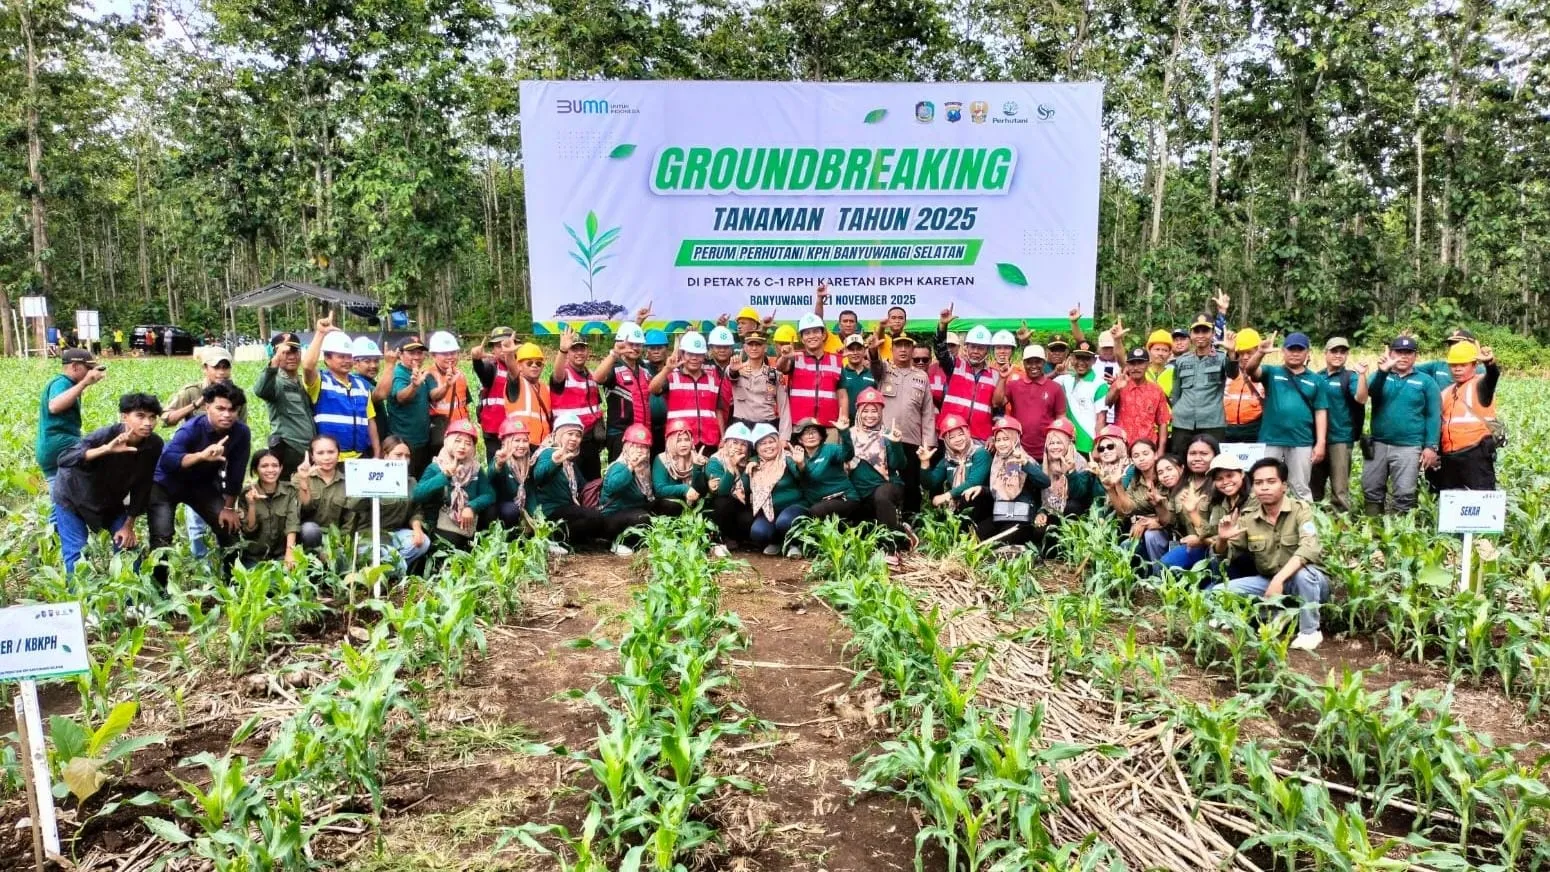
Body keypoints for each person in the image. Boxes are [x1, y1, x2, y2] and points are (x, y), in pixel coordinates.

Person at [1215, 457, 1332, 651]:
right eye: (1259, 483)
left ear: (1284, 485)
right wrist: (1222, 539)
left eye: (1271, 482)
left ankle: (1310, 631)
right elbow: (1228, 555)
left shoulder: (1300, 510)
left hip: (1307, 582)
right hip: (1268, 583)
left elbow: (1309, 548)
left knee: (1304, 575)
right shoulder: (1249, 518)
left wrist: (1278, 579)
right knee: (1219, 591)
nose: (1264, 488)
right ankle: (1279, 613)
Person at [52, 392, 164, 574]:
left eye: (152, 417)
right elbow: (65, 458)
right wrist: (105, 449)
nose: (148, 423)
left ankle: (130, 602)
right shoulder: (105, 436)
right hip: (72, 497)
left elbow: (142, 486)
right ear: (124, 417)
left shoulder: (154, 444)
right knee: (78, 554)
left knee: (128, 549)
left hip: (110, 503)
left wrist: (128, 526)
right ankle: (80, 600)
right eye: (140, 416)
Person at [150, 382, 251, 580]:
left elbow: (236, 473)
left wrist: (228, 508)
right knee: (162, 538)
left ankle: (232, 584)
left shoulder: (240, 432)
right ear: (207, 407)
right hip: (165, 485)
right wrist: (200, 456)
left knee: (229, 529)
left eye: (232, 410)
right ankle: (159, 591)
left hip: (200, 485)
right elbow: (168, 461)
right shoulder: (191, 430)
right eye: (220, 408)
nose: (227, 415)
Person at [1240, 331, 1327, 500]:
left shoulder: (1316, 380)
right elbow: (1250, 370)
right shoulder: (1272, 372)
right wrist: (1260, 353)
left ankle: (1303, 523)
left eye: (1299, 350)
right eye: (1291, 349)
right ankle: (1261, 522)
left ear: (1307, 353)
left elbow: (1321, 411)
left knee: (1300, 486)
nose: (1295, 353)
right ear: (1283, 351)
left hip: (1301, 440)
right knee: (1264, 483)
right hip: (1271, 439)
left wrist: (1321, 442)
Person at [1362, 335, 1441, 514]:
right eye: (1399, 352)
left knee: (1405, 492)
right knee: (1371, 487)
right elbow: (1370, 392)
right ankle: (1372, 529)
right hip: (1378, 443)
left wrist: (1430, 446)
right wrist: (1382, 372)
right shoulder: (1381, 374)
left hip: (1409, 446)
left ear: (1415, 356)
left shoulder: (1426, 382)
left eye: (1408, 353)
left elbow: (1433, 415)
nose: (1403, 356)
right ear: (1391, 353)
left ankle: (1402, 531)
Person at [872, 334, 936, 517]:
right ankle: (883, 518)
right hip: (884, 439)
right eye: (898, 346)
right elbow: (874, 364)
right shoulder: (884, 370)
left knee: (911, 482)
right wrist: (874, 350)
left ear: (912, 351)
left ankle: (912, 519)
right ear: (891, 350)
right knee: (883, 479)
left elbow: (928, 412)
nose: (902, 350)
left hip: (911, 439)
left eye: (907, 346)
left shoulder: (921, 376)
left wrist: (927, 442)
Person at [347, 436, 430, 571]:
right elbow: (353, 506)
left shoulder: (410, 482)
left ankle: (386, 571)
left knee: (423, 543)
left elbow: (416, 510)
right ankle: (392, 573)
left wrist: (417, 529)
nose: (403, 460)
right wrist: (369, 481)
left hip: (395, 534)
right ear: (385, 456)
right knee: (395, 560)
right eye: (398, 455)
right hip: (369, 535)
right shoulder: (370, 476)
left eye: (407, 456)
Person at [302, 318, 380, 460]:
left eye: (349, 356)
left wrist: (377, 453)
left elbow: (370, 421)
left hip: (359, 457)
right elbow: (307, 366)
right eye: (341, 356)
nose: (347, 361)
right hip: (331, 460)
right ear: (327, 358)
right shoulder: (320, 382)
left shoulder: (362, 385)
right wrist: (320, 333)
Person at [842, 389, 911, 549]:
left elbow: (899, 464)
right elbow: (844, 458)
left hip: (887, 489)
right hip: (860, 493)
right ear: (858, 411)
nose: (870, 415)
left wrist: (895, 443)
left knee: (882, 495)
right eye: (865, 411)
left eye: (875, 411)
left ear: (881, 413)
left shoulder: (887, 434)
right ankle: (901, 529)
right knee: (862, 533)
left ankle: (892, 545)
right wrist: (844, 434)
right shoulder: (850, 434)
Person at [413, 420, 494, 550]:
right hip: (442, 521)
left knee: (492, 511)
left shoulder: (475, 468)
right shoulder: (435, 467)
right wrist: (444, 476)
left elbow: (489, 494)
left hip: (467, 519)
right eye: (457, 441)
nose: (462, 446)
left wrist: (471, 507)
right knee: (453, 542)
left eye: (468, 443)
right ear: (448, 442)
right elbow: (417, 494)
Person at [37, 348, 106, 500]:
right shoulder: (62, 382)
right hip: (60, 444)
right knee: (103, 455)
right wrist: (84, 384)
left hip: (52, 447)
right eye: (88, 368)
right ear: (75, 366)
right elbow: (54, 406)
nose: (90, 373)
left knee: (62, 500)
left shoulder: (68, 383)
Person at [530, 414, 608, 547]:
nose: (574, 439)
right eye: (570, 434)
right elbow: (538, 476)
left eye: (578, 435)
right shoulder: (548, 453)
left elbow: (583, 486)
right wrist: (554, 462)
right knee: (594, 518)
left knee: (597, 516)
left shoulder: (569, 461)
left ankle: (569, 539)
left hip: (566, 509)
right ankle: (554, 537)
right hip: (550, 512)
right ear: (559, 434)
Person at [1168, 298, 1233, 457]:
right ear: (1190, 334)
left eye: (1205, 331)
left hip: (1212, 422)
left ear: (1212, 334)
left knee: (1213, 464)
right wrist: (1176, 411)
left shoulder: (1221, 358)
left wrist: (1232, 353)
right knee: (1180, 462)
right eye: (1197, 331)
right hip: (1183, 422)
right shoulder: (1182, 361)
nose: (1201, 335)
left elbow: (1233, 373)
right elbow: (1176, 393)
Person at [1311, 337, 1369, 513]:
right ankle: (1314, 521)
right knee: (1314, 486)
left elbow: (1361, 398)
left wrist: (1362, 375)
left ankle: (1340, 528)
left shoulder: (1349, 377)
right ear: (1325, 353)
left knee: (1339, 489)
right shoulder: (1316, 377)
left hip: (1341, 439)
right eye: (1334, 351)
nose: (1338, 355)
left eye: (1342, 352)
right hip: (1315, 439)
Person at [1437, 341, 1500, 490]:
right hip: (1450, 458)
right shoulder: (1445, 392)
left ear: (1473, 365)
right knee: (1452, 502)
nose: (1457, 369)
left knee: (1480, 502)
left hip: (1475, 454)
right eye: (1453, 365)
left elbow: (1492, 378)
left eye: (1462, 365)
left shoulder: (1479, 385)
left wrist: (1490, 365)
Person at [933, 311, 1003, 441]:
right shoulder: (955, 365)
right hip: (950, 434)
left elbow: (998, 412)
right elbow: (940, 351)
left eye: (981, 348)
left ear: (988, 350)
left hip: (980, 439)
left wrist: (995, 436)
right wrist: (942, 326)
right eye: (973, 347)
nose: (976, 351)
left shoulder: (995, 375)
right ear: (966, 347)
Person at [980, 417, 1050, 546]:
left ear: (1015, 438)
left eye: (1006, 439)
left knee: (998, 543)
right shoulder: (996, 462)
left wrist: (1025, 464)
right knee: (978, 535)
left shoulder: (1026, 459)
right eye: (998, 440)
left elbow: (1045, 482)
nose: (1001, 444)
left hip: (1021, 518)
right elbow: (993, 490)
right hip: (1000, 514)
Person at [254, 332, 315, 477]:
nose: (292, 356)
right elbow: (260, 390)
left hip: (309, 450)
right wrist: (273, 364)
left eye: (295, 351)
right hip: (288, 449)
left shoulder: (303, 382)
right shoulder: (276, 381)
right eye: (285, 353)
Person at [1103, 438, 1173, 563]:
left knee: (1151, 535)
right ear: (1132, 460)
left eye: (1146, 454)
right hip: (1143, 528)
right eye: (1136, 455)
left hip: (1168, 529)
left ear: (1155, 454)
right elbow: (1126, 511)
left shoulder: (1165, 475)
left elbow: (1174, 511)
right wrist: (1117, 486)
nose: (1141, 458)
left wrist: (1152, 520)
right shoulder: (1136, 479)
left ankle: (1161, 575)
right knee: (1126, 546)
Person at [600, 423, 666, 556]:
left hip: (632, 511)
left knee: (662, 506)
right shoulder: (619, 466)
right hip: (613, 517)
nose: (640, 451)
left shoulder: (644, 469)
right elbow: (613, 486)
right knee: (642, 517)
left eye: (644, 447)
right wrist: (630, 467)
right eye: (635, 446)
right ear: (626, 447)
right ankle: (618, 542)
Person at [651, 331, 725, 449]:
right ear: (682, 354)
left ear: (704, 356)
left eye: (699, 354)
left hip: (710, 441)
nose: (694, 358)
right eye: (690, 354)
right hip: (680, 441)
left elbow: (718, 410)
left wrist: (723, 437)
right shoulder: (672, 377)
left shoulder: (713, 380)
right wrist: (667, 369)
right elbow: (653, 389)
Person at [743, 424, 806, 556]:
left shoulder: (787, 458)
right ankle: (778, 542)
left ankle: (795, 544)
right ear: (757, 448)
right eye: (763, 443)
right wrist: (748, 470)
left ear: (778, 442)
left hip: (794, 507)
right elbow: (744, 487)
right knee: (758, 532)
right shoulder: (755, 464)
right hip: (770, 512)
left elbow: (803, 478)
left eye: (771, 441)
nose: (768, 446)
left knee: (784, 522)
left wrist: (800, 464)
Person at [550, 329, 605, 481]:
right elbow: (556, 375)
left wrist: (600, 423)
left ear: (588, 351)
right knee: (573, 484)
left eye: (582, 348)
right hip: (569, 441)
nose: (579, 353)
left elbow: (595, 406)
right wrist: (562, 350)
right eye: (574, 349)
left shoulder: (591, 375)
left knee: (593, 484)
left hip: (589, 441)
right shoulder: (564, 374)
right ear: (568, 352)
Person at [595, 322, 655, 459]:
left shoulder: (644, 369)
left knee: (642, 476)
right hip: (620, 435)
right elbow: (597, 378)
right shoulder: (613, 367)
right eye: (631, 344)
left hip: (643, 433)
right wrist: (614, 354)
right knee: (621, 477)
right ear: (621, 344)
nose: (635, 348)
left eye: (638, 344)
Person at [782, 313, 847, 432]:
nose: (811, 336)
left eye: (816, 331)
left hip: (829, 426)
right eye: (807, 333)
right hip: (800, 427)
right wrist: (785, 357)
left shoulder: (835, 360)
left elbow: (842, 394)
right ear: (802, 339)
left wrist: (844, 417)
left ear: (823, 335)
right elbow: (781, 368)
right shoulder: (794, 358)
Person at [791, 418, 859, 530]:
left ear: (821, 435)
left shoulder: (830, 449)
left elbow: (848, 454)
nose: (810, 435)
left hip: (844, 498)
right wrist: (800, 465)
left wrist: (844, 433)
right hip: (819, 503)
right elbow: (803, 479)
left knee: (817, 510)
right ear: (800, 439)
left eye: (814, 431)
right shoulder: (798, 456)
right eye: (806, 433)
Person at [239, 449, 301, 569]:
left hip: (281, 554)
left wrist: (290, 553)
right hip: (255, 556)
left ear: (281, 468)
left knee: (290, 583)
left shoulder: (290, 491)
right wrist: (251, 504)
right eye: (264, 466)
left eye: (275, 465)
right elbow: (248, 530)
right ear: (255, 470)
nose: (270, 470)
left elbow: (292, 523)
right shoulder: (246, 493)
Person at [923, 413, 990, 523]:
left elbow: (973, 482)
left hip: (982, 505)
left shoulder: (980, 453)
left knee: (970, 494)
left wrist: (947, 495)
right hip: (960, 505)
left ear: (967, 433)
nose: (958, 439)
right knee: (936, 494)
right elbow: (930, 483)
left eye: (960, 434)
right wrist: (924, 462)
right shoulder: (948, 459)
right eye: (952, 437)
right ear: (946, 441)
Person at [1003, 345, 1066, 461]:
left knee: (1044, 479)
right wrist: (1002, 378)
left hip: (1047, 452)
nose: (1033, 366)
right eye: (1029, 362)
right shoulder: (1013, 385)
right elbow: (997, 402)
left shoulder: (1055, 388)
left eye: (1038, 362)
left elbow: (1061, 418)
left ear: (1044, 362)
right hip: (1017, 451)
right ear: (1023, 363)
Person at [383, 336, 433, 474]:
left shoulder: (418, 373)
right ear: (400, 354)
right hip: (405, 444)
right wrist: (413, 386)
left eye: (420, 352)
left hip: (422, 439)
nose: (417, 356)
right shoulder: (398, 373)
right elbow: (401, 397)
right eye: (411, 353)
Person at [1105, 348, 1172, 449]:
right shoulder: (1121, 384)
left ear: (1148, 364)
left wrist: (1161, 451)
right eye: (1132, 363)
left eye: (1140, 363)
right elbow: (1108, 403)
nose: (1136, 367)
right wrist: (1116, 389)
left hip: (1147, 447)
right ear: (1127, 366)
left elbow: (1162, 422)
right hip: (1122, 445)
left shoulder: (1156, 390)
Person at [164, 349, 246, 428]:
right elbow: (167, 419)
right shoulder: (191, 391)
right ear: (204, 368)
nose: (221, 372)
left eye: (225, 367)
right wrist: (195, 405)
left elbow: (242, 426)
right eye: (216, 367)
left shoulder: (236, 395)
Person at [1054, 340, 1111, 453]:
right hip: (1066, 442)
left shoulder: (1099, 385)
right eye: (1078, 357)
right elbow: (1041, 383)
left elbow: (1101, 418)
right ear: (1072, 358)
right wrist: (1056, 372)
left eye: (1086, 358)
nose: (1081, 362)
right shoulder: (1065, 380)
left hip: (1088, 443)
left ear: (1094, 360)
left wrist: (1097, 446)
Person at [293, 435, 349, 550]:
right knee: (310, 530)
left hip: (335, 537)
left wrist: (342, 543)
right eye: (320, 453)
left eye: (331, 452)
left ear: (338, 454)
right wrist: (304, 482)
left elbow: (350, 520)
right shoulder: (299, 477)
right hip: (307, 535)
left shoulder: (347, 482)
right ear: (312, 456)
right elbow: (303, 509)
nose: (327, 457)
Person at [473, 326, 519, 462]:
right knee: (497, 469)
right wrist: (476, 360)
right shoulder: (491, 366)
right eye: (499, 346)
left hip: (518, 429)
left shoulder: (523, 366)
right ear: (493, 349)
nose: (504, 349)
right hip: (494, 430)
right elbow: (482, 371)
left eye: (507, 344)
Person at [705, 422, 753, 554]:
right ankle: (718, 538)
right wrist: (732, 467)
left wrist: (748, 470)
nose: (739, 447)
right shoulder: (715, 461)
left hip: (740, 505)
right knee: (723, 502)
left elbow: (747, 488)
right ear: (726, 443)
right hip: (719, 507)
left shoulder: (750, 461)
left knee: (748, 520)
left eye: (743, 444)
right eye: (735, 442)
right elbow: (722, 491)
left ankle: (737, 538)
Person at [426, 331, 471, 459]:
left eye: (453, 353)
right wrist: (447, 384)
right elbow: (433, 396)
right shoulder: (429, 375)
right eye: (445, 354)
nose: (450, 357)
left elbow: (465, 404)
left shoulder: (461, 375)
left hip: (461, 431)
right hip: (441, 434)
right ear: (433, 355)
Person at [652, 418, 710, 514]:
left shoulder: (699, 458)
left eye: (686, 440)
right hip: (671, 507)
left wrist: (697, 467)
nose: (684, 444)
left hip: (694, 503)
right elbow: (659, 490)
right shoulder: (661, 459)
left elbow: (702, 491)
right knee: (670, 504)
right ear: (670, 441)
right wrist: (684, 489)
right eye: (678, 440)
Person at [490, 416, 535, 530]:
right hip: (501, 508)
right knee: (511, 510)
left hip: (520, 508)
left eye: (525, 441)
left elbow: (531, 493)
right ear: (506, 442)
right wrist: (499, 464)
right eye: (517, 441)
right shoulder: (501, 459)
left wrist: (535, 514)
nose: (521, 445)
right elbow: (489, 477)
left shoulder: (528, 463)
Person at [729, 332, 781, 429]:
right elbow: (731, 374)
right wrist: (734, 370)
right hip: (742, 426)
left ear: (765, 348)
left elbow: (784, 407)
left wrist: (784, 437)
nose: (754, 348)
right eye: (750, 345)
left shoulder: (772, 373)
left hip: (767, 425)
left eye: (758, 345)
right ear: (744, 347)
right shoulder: (736, 368)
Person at [1222, 329, 1264, 443]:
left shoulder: (1265, 373)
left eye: (1250, 352)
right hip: (1227, 430)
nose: (1245, 357)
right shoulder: (1226, 372)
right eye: (1241, 353)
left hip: (1254, 431)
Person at [643, 328, 673, 450]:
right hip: (646, 426)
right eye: (652, 348)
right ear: (646, 350)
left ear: (666, 349)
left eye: (659, 348)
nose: (656, 351)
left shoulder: (673, 370)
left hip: (668, 427)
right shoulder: (641, 368)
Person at [352, 337, 389, 424]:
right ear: (355, 363)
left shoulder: (371, 382)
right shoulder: (357, 382)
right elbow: (380, 395)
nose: (373, 365)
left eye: (376, 361)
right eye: (367, 361)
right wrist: (390, 364)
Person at [839, 333, 877, 410]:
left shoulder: (873, 374)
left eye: (858, 349)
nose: (855, 352)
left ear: (864, 350)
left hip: (868, 420)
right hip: (845, 420)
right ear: (846, 351)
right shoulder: (840, 373)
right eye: (851, 349)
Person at [1142, 330, 1177, 397]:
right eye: (1157, 349)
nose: (1160, 353)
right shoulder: (1141, 371)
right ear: (1149, 351)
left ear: (1170, 354)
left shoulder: (1174, 373)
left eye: (1165, 350)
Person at [927, 332, 957, 408]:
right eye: (946, 346)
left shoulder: (965, 370)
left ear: (959, 347)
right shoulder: (929, 369)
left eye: (952, 345)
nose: (948, 349)